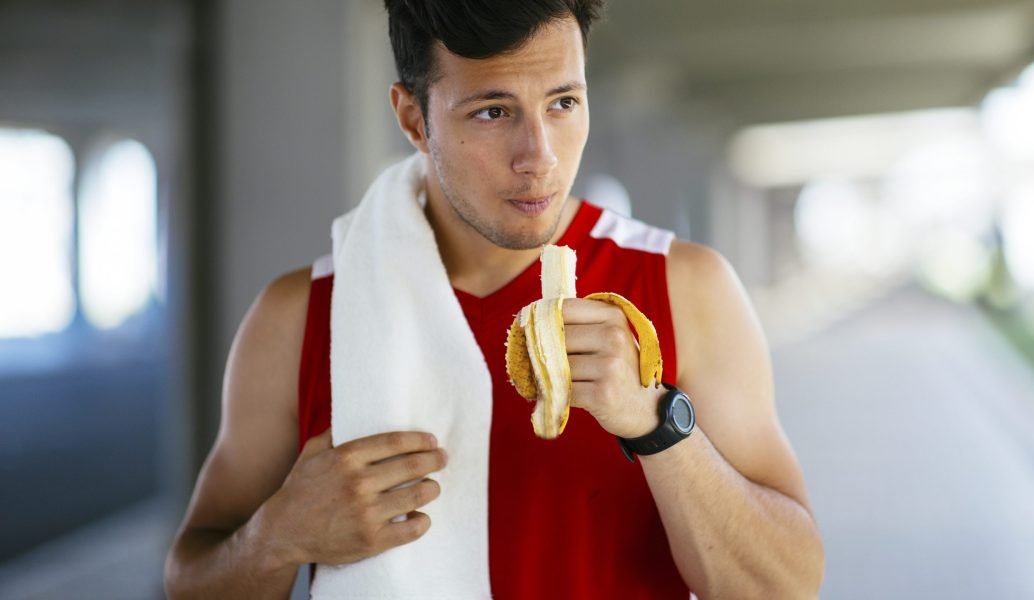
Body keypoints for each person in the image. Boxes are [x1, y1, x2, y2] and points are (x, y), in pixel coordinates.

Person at [164, 1, 824, 597]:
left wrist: (655, 422)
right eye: (493, 111)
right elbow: (191, 580)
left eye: (563, 102)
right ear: (412, 118)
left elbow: (784, 589)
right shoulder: (299, 317)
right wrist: (279, 535)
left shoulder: (685, 288)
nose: (538, 156)